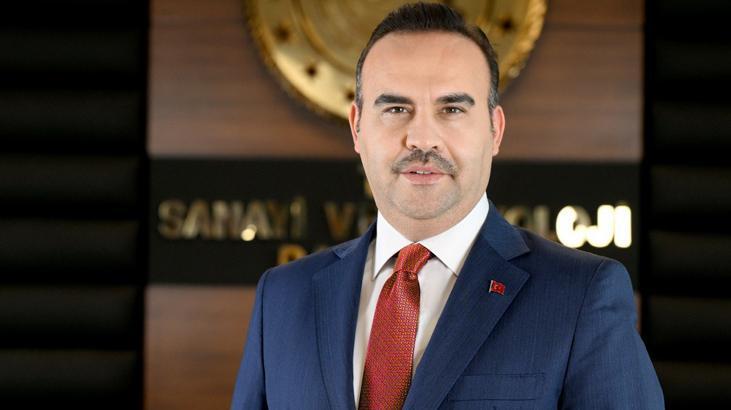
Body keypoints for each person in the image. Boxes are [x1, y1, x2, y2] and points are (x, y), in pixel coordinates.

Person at [231, 3, 664, 409]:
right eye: (396, 108)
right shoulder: (282, 297)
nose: (422, 138)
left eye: (452, 109)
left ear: (494, 130)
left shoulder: (581, 297)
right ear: (357, 127)